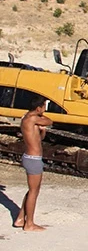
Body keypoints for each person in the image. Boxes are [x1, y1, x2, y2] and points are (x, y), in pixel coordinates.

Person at [13, 95, 52, 232]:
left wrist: (42, 132)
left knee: (32, 190)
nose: (44, 109)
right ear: (38, 108)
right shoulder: (33, 118)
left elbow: (38, 139)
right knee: (34, 191)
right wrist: (42, 120)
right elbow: (49, 121)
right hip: (33, 159)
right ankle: (29, 224)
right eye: (43, 107)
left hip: (31, 157)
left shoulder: (27, 118)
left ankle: (20, 218)